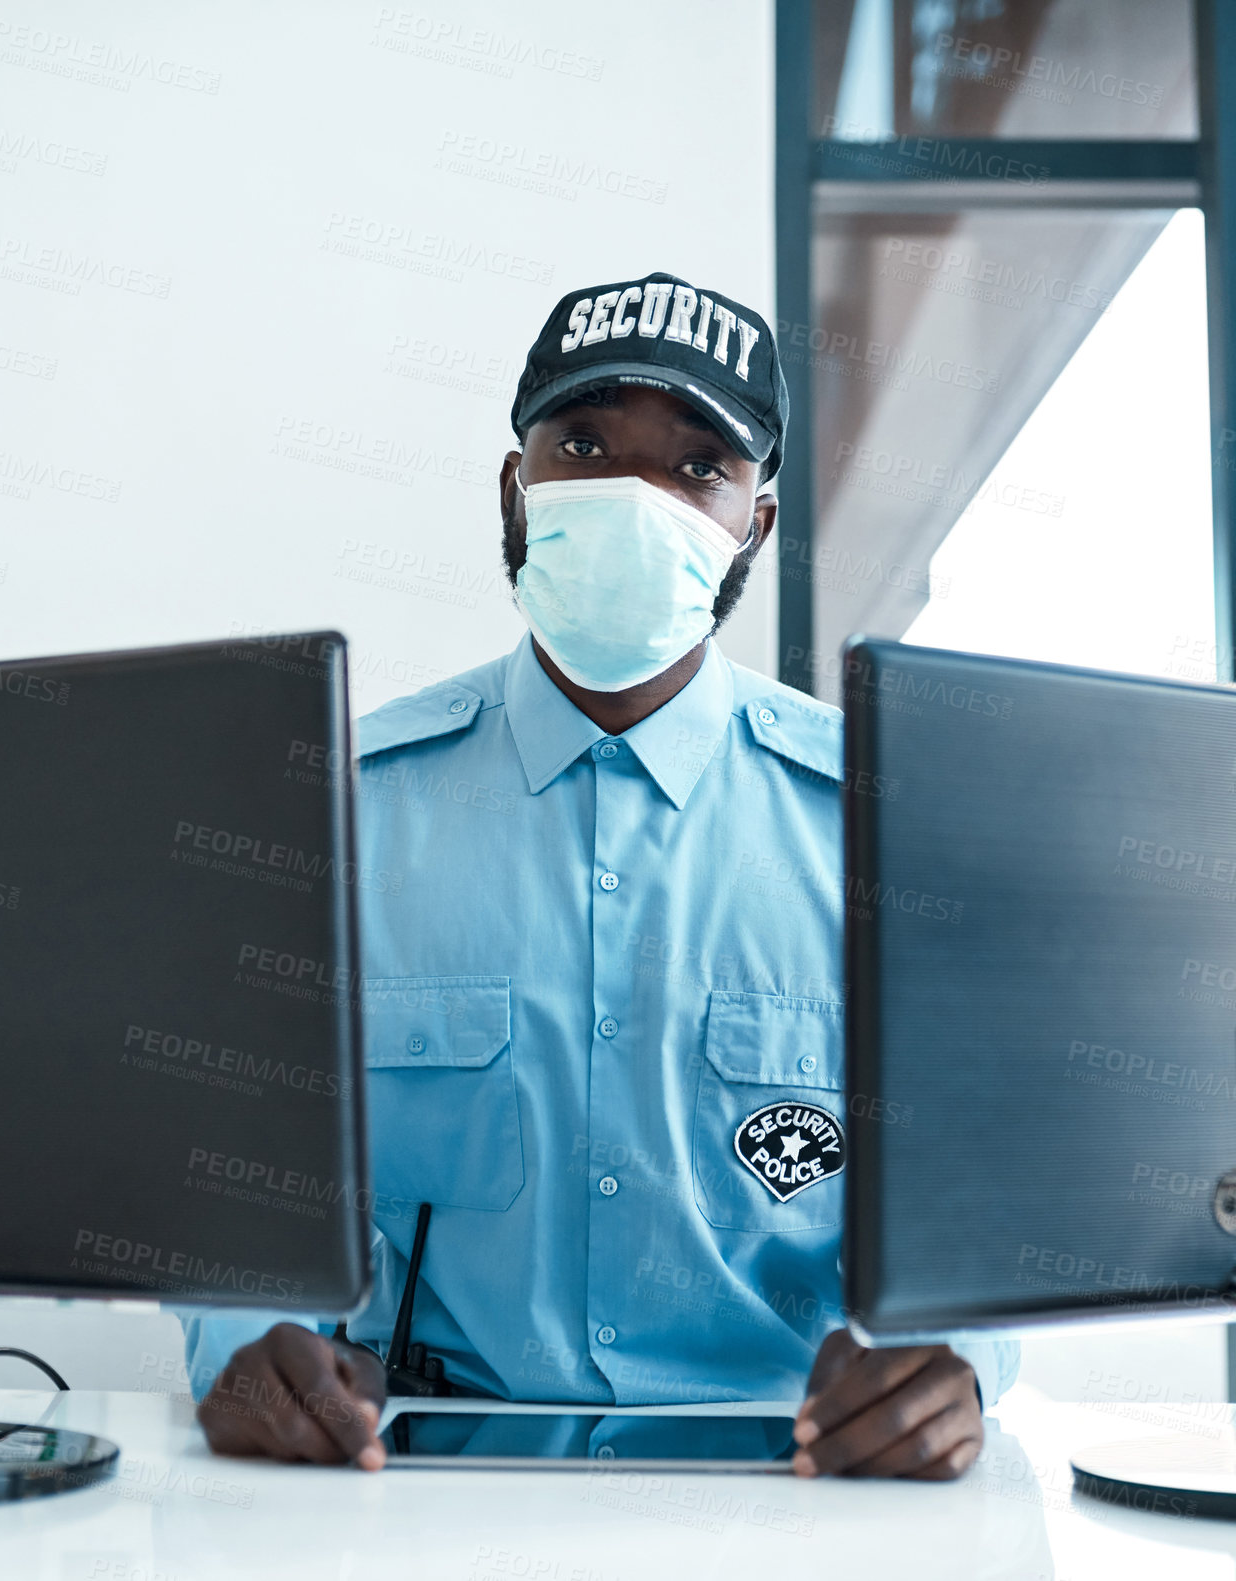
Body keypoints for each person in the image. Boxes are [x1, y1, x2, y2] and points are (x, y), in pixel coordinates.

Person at [182, 270, 1018, 1477]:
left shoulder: (885, 829)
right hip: (408, 1497)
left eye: (694, 469)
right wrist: (243, 1349)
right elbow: (231, 1170)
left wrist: (955, 1370)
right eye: (584, 444)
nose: (634, 500)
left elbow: (978, 1213)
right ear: (515, 484)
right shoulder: (333, 809)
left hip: (790, 1501)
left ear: (756, 525)